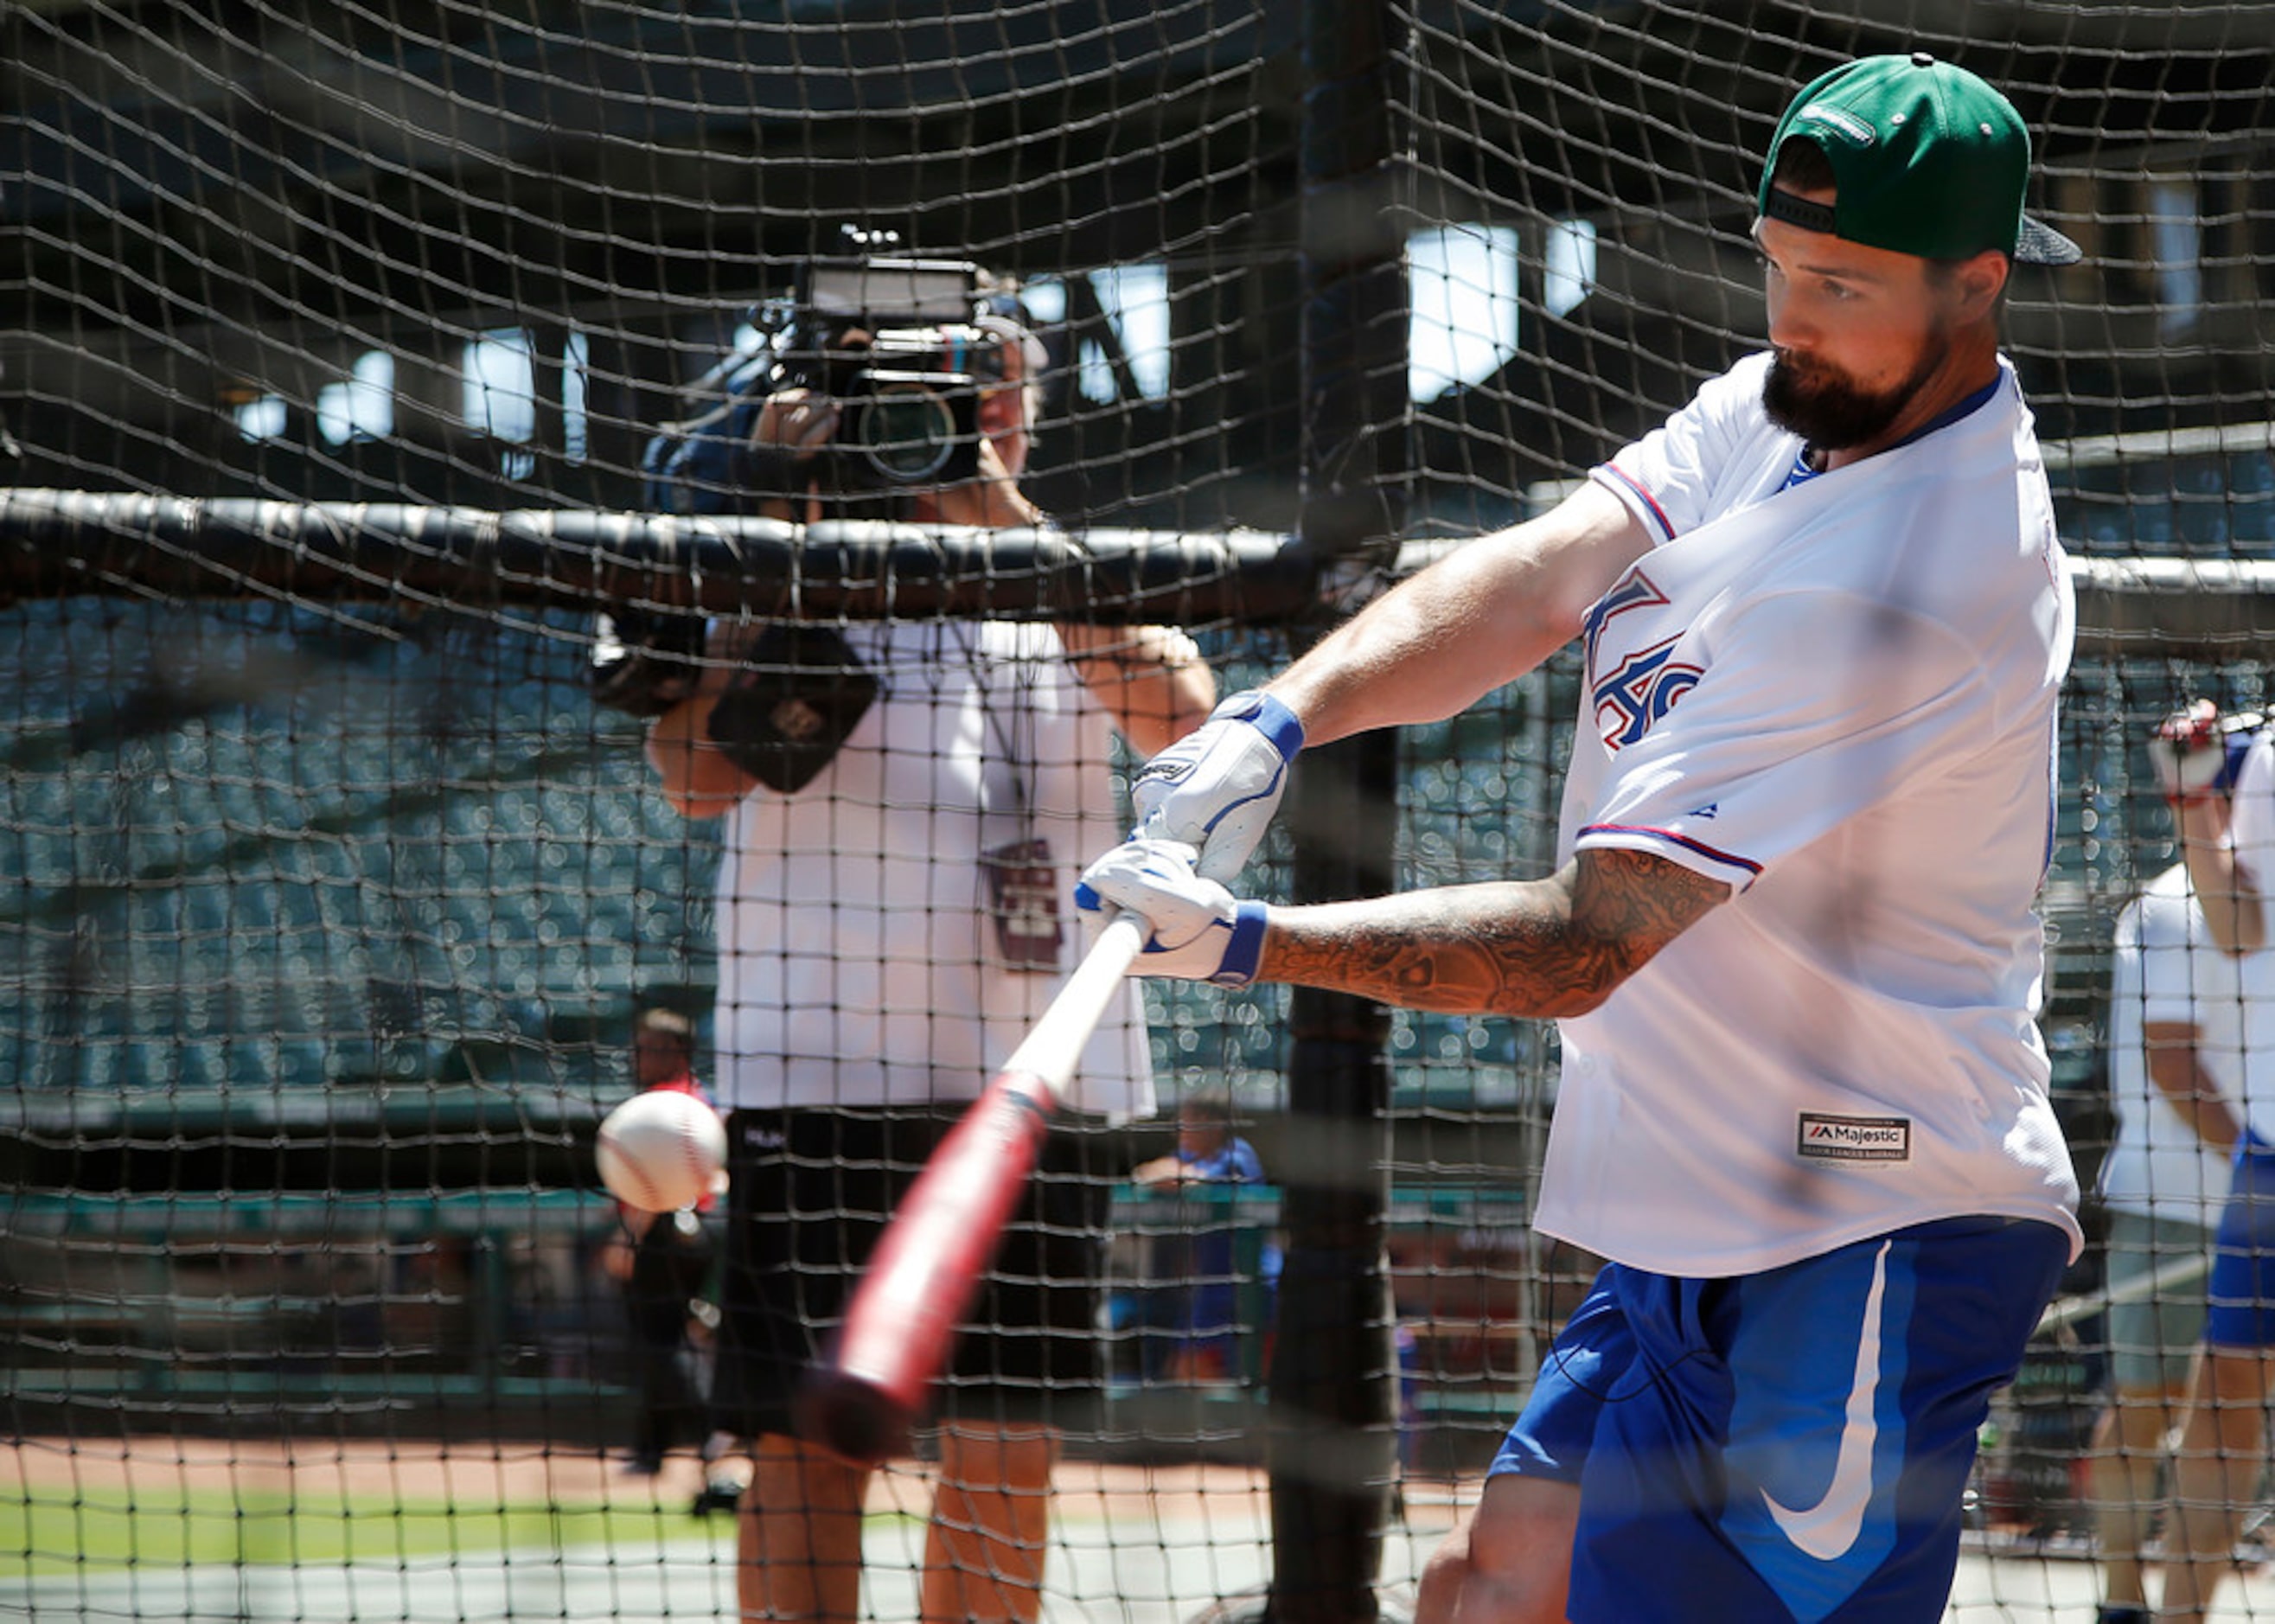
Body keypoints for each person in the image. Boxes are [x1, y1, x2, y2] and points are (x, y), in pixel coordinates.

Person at [1079, 54, 2086, 1622]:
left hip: (1868, 1217)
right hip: (1699, 1184)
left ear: (1979, 286)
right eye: (1775, 268)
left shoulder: (1910, 580)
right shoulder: (1785, 409)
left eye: (1839, 282)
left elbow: (1581, 941)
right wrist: (1274, 721)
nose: (1789, 318)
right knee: (1496, 1584)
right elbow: (1548, 571)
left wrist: (1249, 944)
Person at [640, 278, 1217, 1624]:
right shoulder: (790, 561)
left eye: (993, 389)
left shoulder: (1071, 561)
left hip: (1037, 1084)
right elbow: (686, 774)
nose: (978, 417)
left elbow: (1180, 719)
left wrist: (1000, 522)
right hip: (813, 1070)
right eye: (941, 395)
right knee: (801, 1438)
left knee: (1009, 1444)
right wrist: (775, 530)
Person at [2143, 707, 2275, 1624]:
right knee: (2226, 1387)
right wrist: (2194, 800)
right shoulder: (2262, 752)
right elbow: (2237, 926)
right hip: (2272, 1151)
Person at [2086, 863, 2244, 1624]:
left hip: (2250, 1208)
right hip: (2176, 1203)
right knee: (2146, 1403)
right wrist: (2262, 1169)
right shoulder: (2171, 904)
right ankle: (2119, 1599)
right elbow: (2171, 1061)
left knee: (2227, 1414)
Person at [597, 1007, 722, 1476]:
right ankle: (651, 1449)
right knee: (668, 1339)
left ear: (677, 1051)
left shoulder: (666, 1104)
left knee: (662, 1343)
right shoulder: (698, 1097)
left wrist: (628, 1237)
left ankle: (712, 1433)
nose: (638, 1057)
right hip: (700, 1229)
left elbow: (657, 1188)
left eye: (649, 1047)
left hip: (665, 1232)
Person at [1127, 1089, 1270, 1383]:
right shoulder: (1190, 1156)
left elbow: (1184, 1180)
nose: (1180, 1126)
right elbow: (1147, 1172)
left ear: (1213, 1124)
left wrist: (1177, 1173)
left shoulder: (1237, 1156)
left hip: (1251, 1288)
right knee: (1187, 1376)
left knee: (1250, 1382)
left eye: (1189, 1119)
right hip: (1210, 1291)